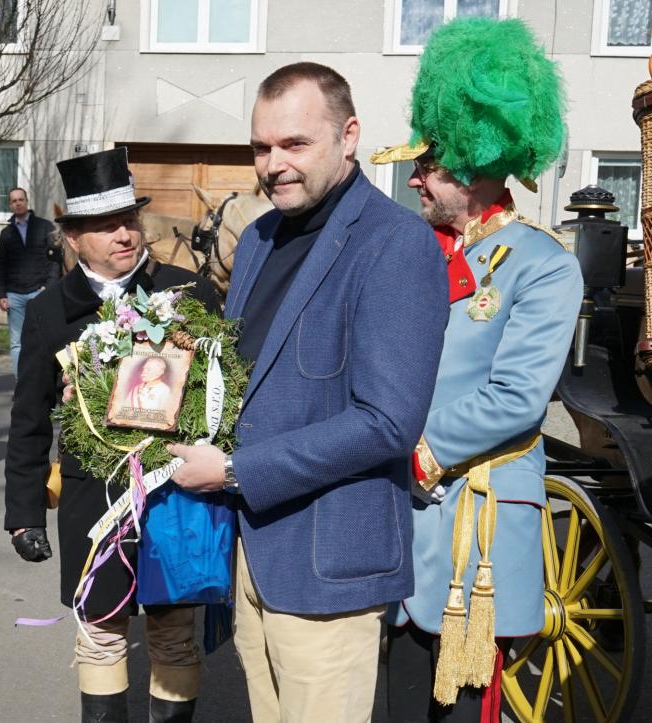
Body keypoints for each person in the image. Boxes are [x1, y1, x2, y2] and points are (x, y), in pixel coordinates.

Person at [164, 63, 449, 723]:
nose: (274, 164)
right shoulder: (259, 238)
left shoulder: (396, 241)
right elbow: (246, 378)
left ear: (349, 137)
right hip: (252, 557)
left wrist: (235, 470)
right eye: (261, 147)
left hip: (329, 572)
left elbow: (387, 422)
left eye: (295, 143)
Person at [369, 19, 582, 721]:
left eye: (429, 165)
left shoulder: (543, 263)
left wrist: (420, 451)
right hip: (404, 525)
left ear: (473, 162)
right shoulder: (416, 249)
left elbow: (517, 397)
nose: (415, 177)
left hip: (476, 530)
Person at [3, 148, 218, 722]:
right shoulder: (50, 311)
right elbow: (29, 419)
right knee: (100, 630)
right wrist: (24, 512)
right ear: (73, 238)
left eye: (129, 220)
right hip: (91, 498)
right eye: (105, 226)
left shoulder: (189, 294)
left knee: (173, 632)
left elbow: (226, 398)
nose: (124, 234)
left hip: (175, 496)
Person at [0, 187, 59, 377]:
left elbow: (55, 260)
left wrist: (48, 286)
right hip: (14, 294)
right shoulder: (6, 233)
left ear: (26, 201)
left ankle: (40, 381)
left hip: (39, 291)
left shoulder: (44, 227)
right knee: (17, 342)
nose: (18, 203)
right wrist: (1, 294)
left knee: (42, 338)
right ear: (10, 205)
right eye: (14, 201)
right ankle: (20, 384)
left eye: (20, 199)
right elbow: (0, 265)